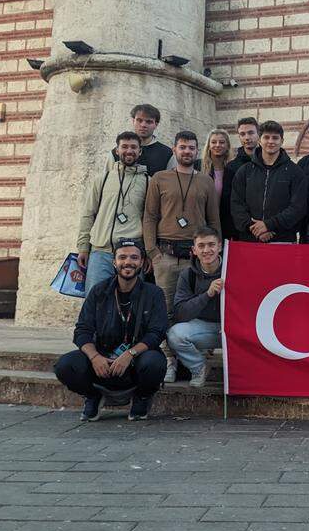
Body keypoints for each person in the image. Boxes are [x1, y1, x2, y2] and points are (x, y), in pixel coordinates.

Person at [54, 239, 169, 421]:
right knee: (65, 365)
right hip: (102, 363)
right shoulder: (99, 291)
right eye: (122, 257)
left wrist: (130, 354)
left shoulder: (154, 293)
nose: (128, 262)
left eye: (134, 257)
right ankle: (93, 396)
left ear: (142, 262)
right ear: (114, 262)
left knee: (154, 363)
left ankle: (142, 397)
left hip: (135, 362)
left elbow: (157, 332)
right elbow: (82, 330)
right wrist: (95, 357)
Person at [142, 130, 221, 384]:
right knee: (165, 311)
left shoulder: (205, 182)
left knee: (195, 307)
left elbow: (213, 221)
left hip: (196, 258)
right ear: (174, 150)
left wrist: (214, 254)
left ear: (198, 151)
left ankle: (192, 359)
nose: (187, 152)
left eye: (191, 148)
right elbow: (150, 216)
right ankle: (169, 361)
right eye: (182, 147)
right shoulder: (159, 178)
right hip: (165, 255)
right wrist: (152, 252)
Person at [77, 131, 149, 294]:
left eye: (133, 147)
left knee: (131, 303)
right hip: (101, 252)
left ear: (140, 151)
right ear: (117, 150)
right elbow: (88, 214)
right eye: (124, 146)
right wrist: (83, 247)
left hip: (132, 254)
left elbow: (150, 220)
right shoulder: (101, 180)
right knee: (95, 300)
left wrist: (148, 252)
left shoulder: (148, 182)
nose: (129, 150)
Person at [230, 120, 309, 243]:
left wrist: (269, 225)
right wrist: (255, 228)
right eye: (266, 137)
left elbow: (298, 207)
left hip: (283, 240)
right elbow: (236, 204)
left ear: (282, 141)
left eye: (275, 138)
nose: (271, 141)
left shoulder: (295, 172)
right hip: (250, 240)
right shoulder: (244, 171)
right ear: (260, 140)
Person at [166, 227, 224, 389]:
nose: (207, 250)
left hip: (232, 328)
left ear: (219, 246)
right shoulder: (188, 274)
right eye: (201, 246)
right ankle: (199, 367)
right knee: (175, 335)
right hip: (203, 327)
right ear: (194, 250)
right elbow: (181, 313)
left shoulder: (232, 268)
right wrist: (207, 294)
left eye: (211, 245)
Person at [222, 117, 260, 242]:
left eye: (250, 133)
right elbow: (229, 202)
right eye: (242, 134)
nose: (247, 137)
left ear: (258, 134)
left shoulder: (269, 162)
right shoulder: (232, 167)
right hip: (241, 231)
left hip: (267, 229)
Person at [202, 129, 234, 233]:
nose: (217, 145)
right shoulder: (199, 167)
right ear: (208, 145)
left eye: (222, 142)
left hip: (226, 222)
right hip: (203, 221)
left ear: (227, 146)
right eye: (214, 142)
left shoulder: (233, 170)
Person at [129, 104, 173, 176]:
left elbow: (170, 182)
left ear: (156, 124)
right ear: (133, 121)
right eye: (139, 120)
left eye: (149, 122)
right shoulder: (119, 151)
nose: (143, 125)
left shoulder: (167, 153)